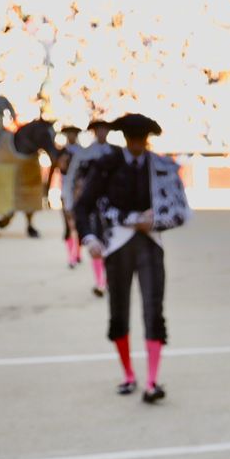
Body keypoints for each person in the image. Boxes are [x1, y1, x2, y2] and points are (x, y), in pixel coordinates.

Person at [72, 113, 189, 402]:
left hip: (149, 243)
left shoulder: (159, 166)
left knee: (153, 308)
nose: (137, 145)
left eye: (141, 140)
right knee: (119, 310)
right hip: (117, 245)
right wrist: (89, 237)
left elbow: (179, 210)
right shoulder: (106, 165)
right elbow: (84, 205)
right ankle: (129, 375)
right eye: (133, 139)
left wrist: (156, 221)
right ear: (126, 140)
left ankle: (151, 381)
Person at [71, 118, 116, 295]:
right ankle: (101, 282)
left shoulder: (115, 152)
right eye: (99, 129)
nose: (102, 133)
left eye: (104, 129)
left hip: (114, 205)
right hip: (92, 205)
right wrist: (69, 201)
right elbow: (74, 178)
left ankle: (108, 280)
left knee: (112, 241)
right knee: (96, 239)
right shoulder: (85, 153)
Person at [53, 123, 86, 269]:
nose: (71, 137)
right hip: (66, 191)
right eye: (69, 134)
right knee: (68, 226)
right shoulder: (62, 152)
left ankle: (77, 253)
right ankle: (71, 256)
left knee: (79, 225)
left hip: (79, 193)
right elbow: (56, 170)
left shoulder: (83, 152)